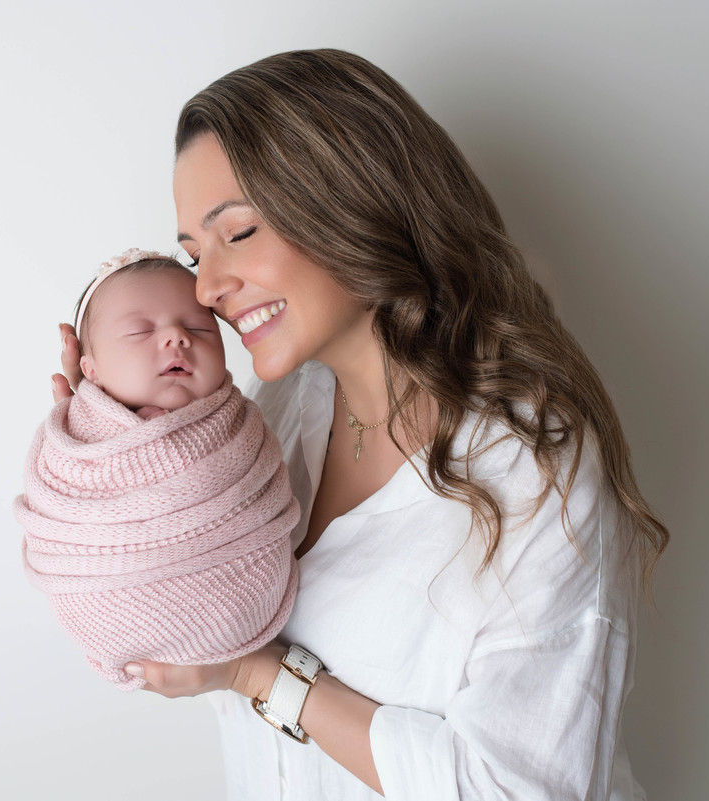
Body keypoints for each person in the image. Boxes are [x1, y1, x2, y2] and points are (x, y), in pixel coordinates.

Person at [52, 49, 669, 800]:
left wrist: (259, 673)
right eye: (192, 256)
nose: (207, 289)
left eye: (237, 234)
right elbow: (142, 610)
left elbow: (518, 789)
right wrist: (106, 443)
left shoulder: (531, 469)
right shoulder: (276, 414)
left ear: (350, 205)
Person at [20, 249, 299, 691]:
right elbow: (61, 519)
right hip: (107, 612)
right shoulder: (73, 448)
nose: (176, 338)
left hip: (248, 602)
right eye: (141, 330)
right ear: (90, 370)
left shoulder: (244, 424)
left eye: (198, 327)